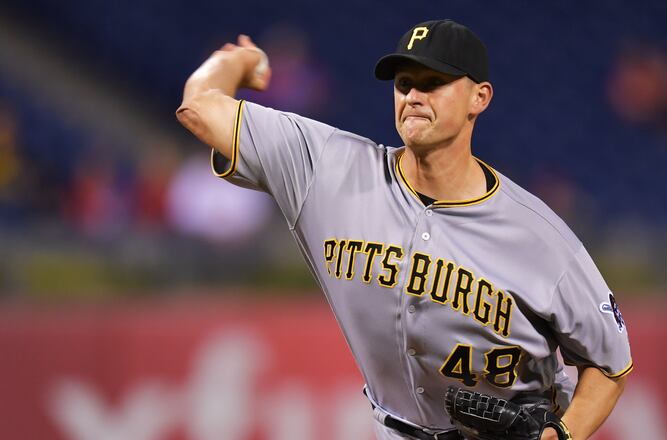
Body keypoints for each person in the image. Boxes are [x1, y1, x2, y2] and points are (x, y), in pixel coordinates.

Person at [176, 19, 632, 440]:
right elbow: (199, 107)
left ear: (480, 98)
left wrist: (560, 437)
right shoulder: (327, 169)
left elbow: (610, 364)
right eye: (404, 84)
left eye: (434, 83)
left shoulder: (539, 237)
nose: (413, 96)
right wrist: (232, 61)